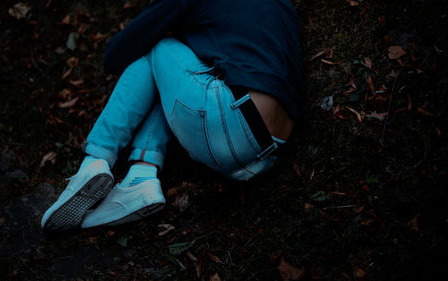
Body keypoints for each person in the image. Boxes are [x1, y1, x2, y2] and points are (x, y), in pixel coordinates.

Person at [41, 0, 304, 231]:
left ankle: (96, 158)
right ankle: (141, 176)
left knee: (157, 44)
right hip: (267, 154)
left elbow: (114, 55)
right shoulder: (281, 5)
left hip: (231, 119)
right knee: (168, 70)